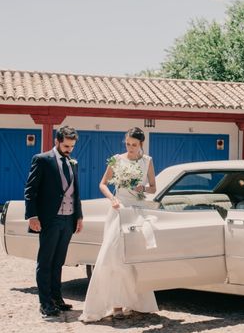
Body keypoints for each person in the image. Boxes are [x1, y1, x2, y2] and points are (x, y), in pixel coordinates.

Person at [79, 127, 159, 322]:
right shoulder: (116, 159)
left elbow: (153, 187)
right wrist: (112, 199)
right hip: (118, 209)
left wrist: (144, 188)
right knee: (113, 256)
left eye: (134, 145)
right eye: (128, 144)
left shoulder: (147, 161)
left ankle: (136, 302)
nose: (130, 148)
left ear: (141, 145)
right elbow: (103, 183)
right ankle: (115, 305)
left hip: (137, 210)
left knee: (135, 257)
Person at [25, 126, 84, 318]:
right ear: (57, 141)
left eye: (72, 146)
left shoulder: (72, 163)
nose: (69, 149)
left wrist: (79, 216)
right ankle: (45, 303)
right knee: (46, 262)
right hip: (50, 219)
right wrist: (32, 216)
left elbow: (76, 192)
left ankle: (57, 299)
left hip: (68, 219)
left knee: (58, 261)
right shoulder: (42, 160)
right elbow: (30, 190)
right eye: (66, 145)